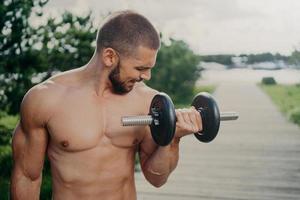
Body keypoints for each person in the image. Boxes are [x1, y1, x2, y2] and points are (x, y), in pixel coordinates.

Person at [10, 10, 202, 200]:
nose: (146, 76)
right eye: (140, 68)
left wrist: (173, 138)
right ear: (110, 56)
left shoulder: (147, 101)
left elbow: (156, 178)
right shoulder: (46, 99)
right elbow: (27, 177)